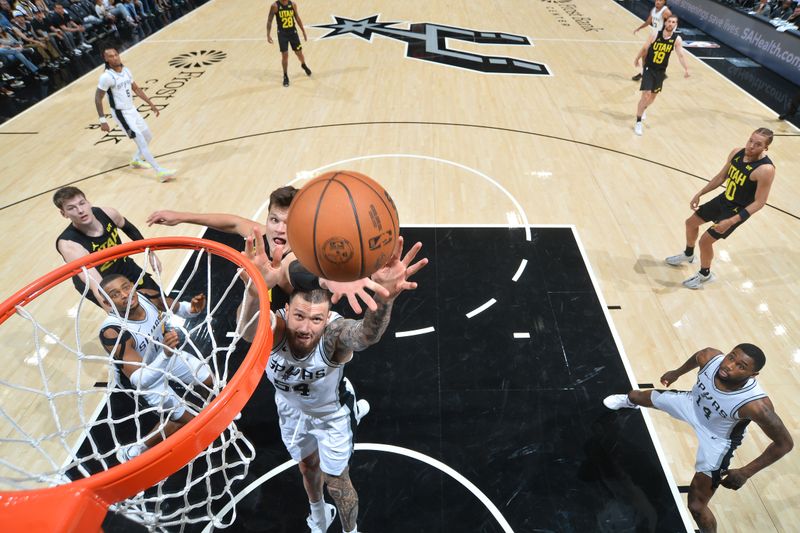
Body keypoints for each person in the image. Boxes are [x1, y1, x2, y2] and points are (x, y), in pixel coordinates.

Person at [238, 232, 427, 533]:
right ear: (287, 312)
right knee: (306, 467)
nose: (305, 328)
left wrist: (384, 298)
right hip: (290, 409)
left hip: (329, 413)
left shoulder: (332, 334)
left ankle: (350, 530)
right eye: (300, 316)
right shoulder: (277, 328)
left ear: (327, 319)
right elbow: (248, 332)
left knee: (337, 480)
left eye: (316, 320)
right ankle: (318, 515)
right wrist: (252, 290)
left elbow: (366, 335)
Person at [603, 344, 793, 533]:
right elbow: (696, 357)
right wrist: (676, 373)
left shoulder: (757, 406)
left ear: (753, 375)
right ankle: (629, 402)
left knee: (696, 506)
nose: (729, 365)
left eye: (741, 366)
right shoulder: (710, 357)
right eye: (731, 357)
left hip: (718, 438)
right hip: (691, 404)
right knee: (636, 395)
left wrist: (745, 472)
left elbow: (784, 444)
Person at [146, 185, 389, 314]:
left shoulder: (297, 256)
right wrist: (181, 216)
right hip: (265, 312)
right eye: (274, 220)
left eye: (289, 223)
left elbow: (296, 270)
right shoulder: (263, 234)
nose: (279, 229)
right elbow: (233, 222)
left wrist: (329, 278)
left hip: (296, 324)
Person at [98, 273, 213, 462]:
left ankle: (209, 409)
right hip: (142, 380)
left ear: (134, 286)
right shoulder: (113, 332)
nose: (125, 294)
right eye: (115, 294)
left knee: (208, 380)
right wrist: (166, 354)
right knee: (186, 423)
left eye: (126, 287)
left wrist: (193, 309)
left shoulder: (147, 296)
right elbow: (140, 379)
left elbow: (179, 308)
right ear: (108, 303)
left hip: (165, 355)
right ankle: (138, 449)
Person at [664, 128, 775, 289]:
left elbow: (760, 202)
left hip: (737, 210)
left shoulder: (765, 170)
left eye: (757, 144)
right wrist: (701, 192)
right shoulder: (737, 152)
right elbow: (721, 177)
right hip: (724, 199)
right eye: (750, 140)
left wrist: (731, 221)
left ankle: (705, 274)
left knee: (705, 241)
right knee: (690, 223)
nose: (751, 146)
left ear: (766, 148)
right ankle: (688, 255)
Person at [54, 186, 161, 307]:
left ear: (88, 202)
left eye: (82, 203)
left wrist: (151, 254)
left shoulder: (108, 213)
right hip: (102, 283)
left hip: (123, 267)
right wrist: (111, 310)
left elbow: (129, 228)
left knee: (159, 298)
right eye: (71, 208)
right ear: (64, 214)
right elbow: (96, 285)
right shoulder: (70, 244)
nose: (80, 210)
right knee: (132, 313)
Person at [95, 46, 176, 182]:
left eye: (116, 54)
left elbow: (136, 89)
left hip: (132, 109)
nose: (115, 57)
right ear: (106, 59)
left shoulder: (126, 70)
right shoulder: (106, 77)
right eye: (111, 56)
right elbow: (98, 98)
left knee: (148, 136)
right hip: (121, 113)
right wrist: (102, 120)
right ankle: (160, 172)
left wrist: (151, 104)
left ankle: (136, 160)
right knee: (141, 141)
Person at [633, 15, 689, 136]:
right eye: (669, 21)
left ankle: (643, 109)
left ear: (676, 25)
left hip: (660, 71)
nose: (671, 24)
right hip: (649, 68)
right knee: (646, 94)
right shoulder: (655, 34)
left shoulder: (676, 39)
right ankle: (638, 122)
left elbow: (681, 55)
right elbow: (644, 48)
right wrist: (637, 59)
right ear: (665, 23)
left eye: (673, 22)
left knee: (652, 97)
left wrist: (686, 69)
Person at [266, 0, 311, 87]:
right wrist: (268, 34)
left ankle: (303, 64)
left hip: (293, 33)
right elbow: (269, 21)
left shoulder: (293, 4)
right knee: (285, 55)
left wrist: (303, 31)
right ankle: (285, 75)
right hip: (282, 34)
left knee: (299, 53)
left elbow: (297, 18)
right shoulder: (275, 6)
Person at [631, 0, 671, 81]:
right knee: (646, 55)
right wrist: (639, 28)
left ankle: (647, 73)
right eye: (657, 0)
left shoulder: (666, 12)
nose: (658, 2)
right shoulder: (654, 9)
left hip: (660, 37)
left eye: (660, 0)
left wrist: (666, 38)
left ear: (664, 2)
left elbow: (672, 25)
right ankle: (653, 73)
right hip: (653, 35)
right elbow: (649, 21)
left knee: (646, 53)